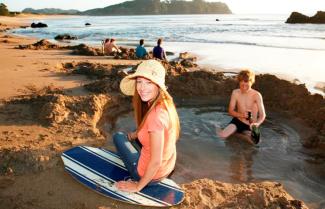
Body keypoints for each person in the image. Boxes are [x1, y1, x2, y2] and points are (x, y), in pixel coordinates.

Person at [113, 59, 180, 192]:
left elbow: (155, 161)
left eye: (149, 82)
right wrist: (135, 134)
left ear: (158, 85)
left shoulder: (155, 117)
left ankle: (139, 176)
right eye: (139, 82)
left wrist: (138, 186)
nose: (142, 88)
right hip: (168, 167)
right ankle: (134, 136)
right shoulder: (166, 104)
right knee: (135, 133)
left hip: (149, 175)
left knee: (119, 137)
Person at [217, 69, 266, 144]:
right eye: (242, 85)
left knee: (255, 143)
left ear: (251, 83)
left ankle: (236, 134)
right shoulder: (235, 93)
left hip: (250, 125)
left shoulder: (257, 95)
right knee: (222, 136)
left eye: (247, 85)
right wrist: (242, 115)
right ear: (239, 82)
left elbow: (262, 115)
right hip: (237, 121)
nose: (244, 88)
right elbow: (230, 111)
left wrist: (257, 124)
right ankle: (218, 126)